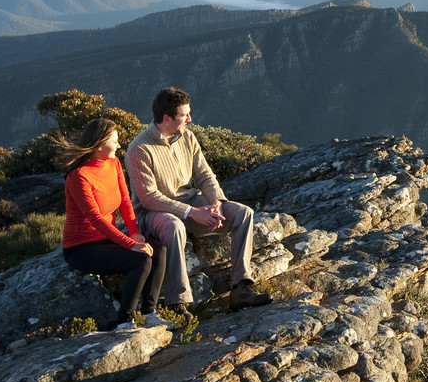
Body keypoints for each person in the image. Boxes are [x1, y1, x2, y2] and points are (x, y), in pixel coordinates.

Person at [127, 87, 272, 316]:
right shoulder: (139, 149)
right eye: (185, 115)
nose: (190, 119)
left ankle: (240, 288)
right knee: (174, 227)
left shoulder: (187, 137)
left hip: (190, 201)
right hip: (154, 213)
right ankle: (177, 302)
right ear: (166, 118)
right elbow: (149, 197)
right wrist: (192, 212)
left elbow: (204, 175)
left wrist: (215, 202)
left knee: (243, 213)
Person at [56, 118, 170, 330]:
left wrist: (134, 232)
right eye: (115, 141)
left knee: (160, 249)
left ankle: (149, 313)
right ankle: (124, 320)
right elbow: (95, 218)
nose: (119, 145)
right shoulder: (79, 176)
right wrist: (129, 244)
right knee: (141, 260)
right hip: (81, 248)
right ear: (99, 145)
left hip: (107, 238)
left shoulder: (114, 163)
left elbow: (126, 201)